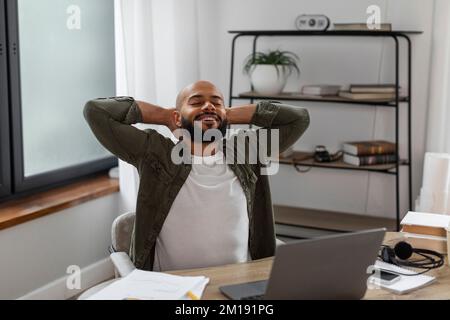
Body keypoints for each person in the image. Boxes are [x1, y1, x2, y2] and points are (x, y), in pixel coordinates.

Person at [83, 80, 309, 271]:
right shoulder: (155, 151)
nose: (208, 106)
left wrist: (226, 114)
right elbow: (97, 112)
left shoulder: (246, 149)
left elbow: (298, 118)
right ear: (178, 117)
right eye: (196, 102)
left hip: (237, 283)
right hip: (173, 287)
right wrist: (164, 116)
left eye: (216, 102)